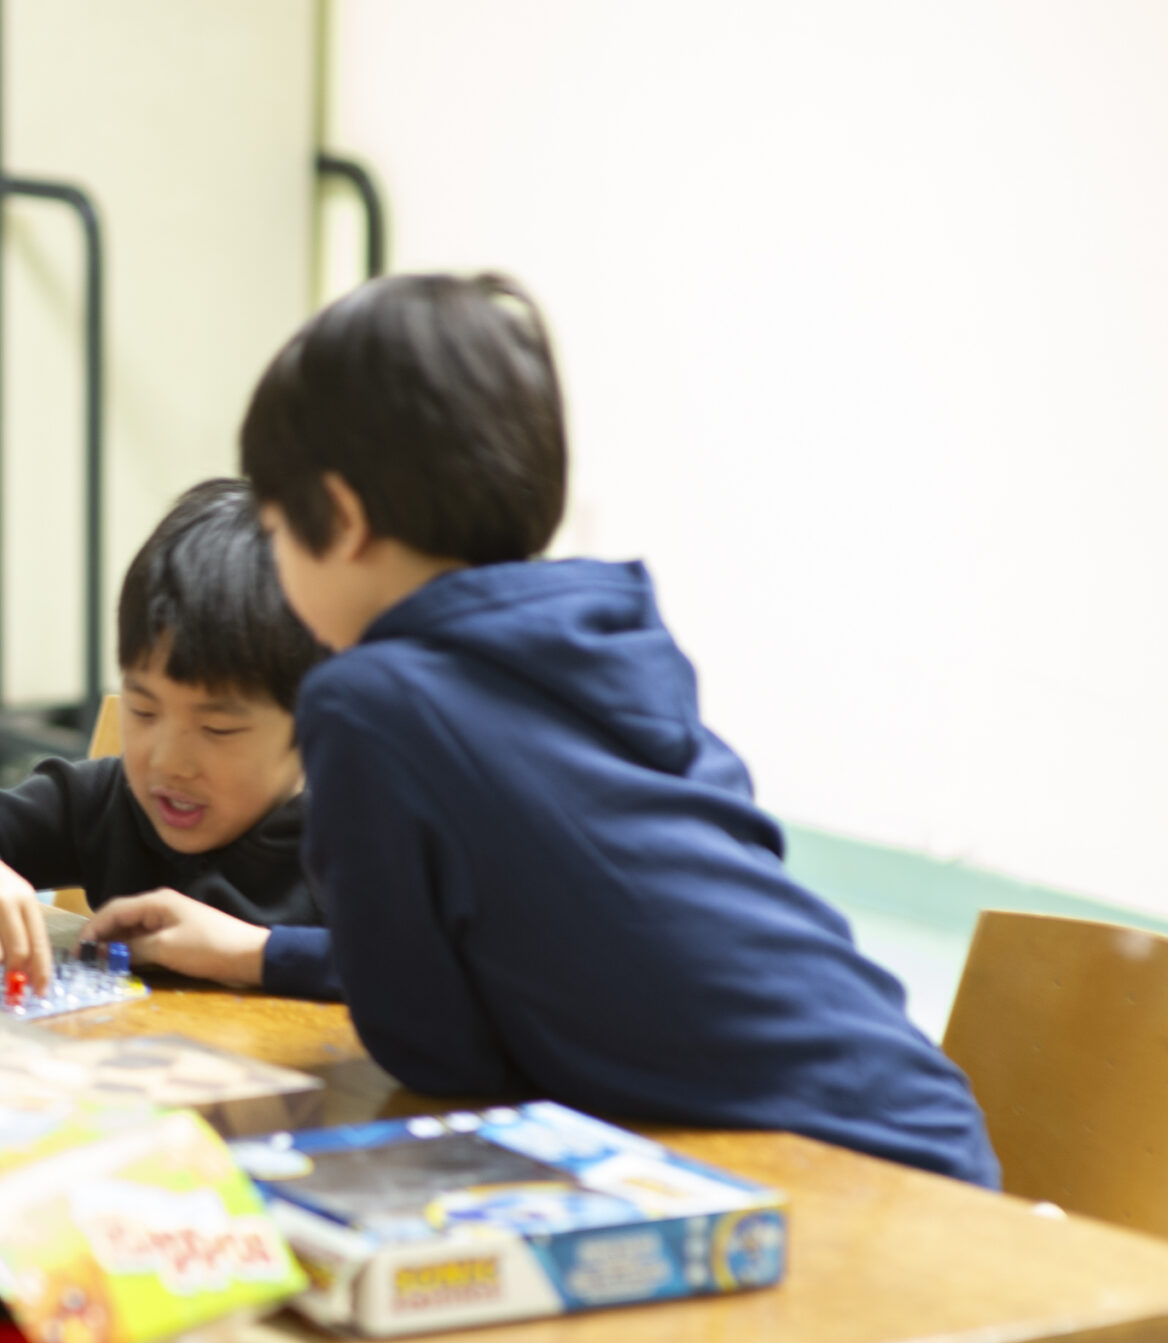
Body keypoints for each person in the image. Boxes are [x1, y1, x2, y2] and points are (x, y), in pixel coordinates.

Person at [239, 272, 995, 1185]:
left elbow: (437, 1053)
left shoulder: (367, 699)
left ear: (346, 519)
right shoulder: (608, 636)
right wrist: (272, 955)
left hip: (808, 1176)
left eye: (278, 530)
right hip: (923, 1130)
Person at [0, 478, 335, 995]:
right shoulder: (108, 802)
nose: (169, 762)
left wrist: (251, 954)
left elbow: (424, 978)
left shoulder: (357, 836)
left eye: (218, 728)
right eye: (144, 710)